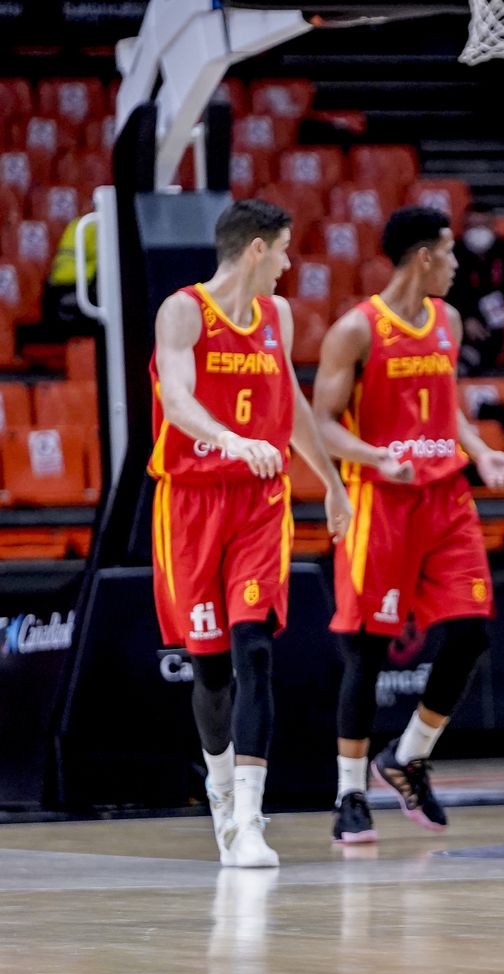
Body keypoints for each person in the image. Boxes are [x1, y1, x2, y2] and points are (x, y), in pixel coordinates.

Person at [313, 206, 504, 843]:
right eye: (450, 252)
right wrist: (377, 456)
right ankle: (349, 793)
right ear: (423, 256)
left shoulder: (448, 320)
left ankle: (408, 753)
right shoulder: (356, 330)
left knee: (470, 635)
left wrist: (483, 452)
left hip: (446, 501)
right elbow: (322, 421)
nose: (459, 264)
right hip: (381, 501)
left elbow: (450, 406)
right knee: (368, 652)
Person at [147, 198, 351, 866]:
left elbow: (288, 406)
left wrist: (334, 482)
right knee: (210, 670)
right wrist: (233, 441)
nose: (290, 266)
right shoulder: (182, 310)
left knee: (255, 648)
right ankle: (220, 789)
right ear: (258, 249)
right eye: (286, 251)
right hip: (193, 503)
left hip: (262, 502)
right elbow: (177, 402)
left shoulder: (277, 317)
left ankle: (251, 820)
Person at [445, 201, 504, 375]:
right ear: (464, 227)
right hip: (467, 321)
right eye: (473, 226)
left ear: (492, 226)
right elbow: (446, 293)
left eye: (483, 225)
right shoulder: (452, 253)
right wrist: (465, 317)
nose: (478, 231)